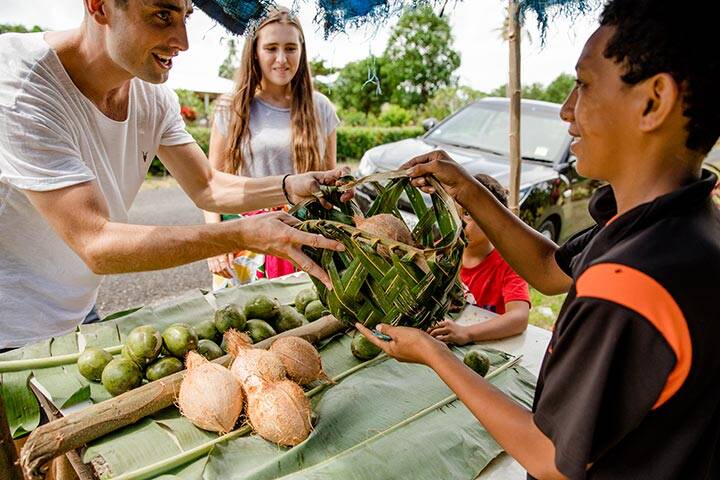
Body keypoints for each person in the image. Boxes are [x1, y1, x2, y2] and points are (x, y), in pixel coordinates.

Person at [357, 0, 720, 478]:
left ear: (653, 101)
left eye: (584, 85)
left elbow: (551, 457)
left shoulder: (632, 283)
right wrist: (467, 186)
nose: (567, 110)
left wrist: (432, 352)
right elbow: (550, 271)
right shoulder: (678, 226)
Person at [0, 0, 351, 350]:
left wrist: (290, 186)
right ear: (99, 6)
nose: (182, 41)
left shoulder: (153, 96)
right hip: (12, 328)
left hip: (79, 310)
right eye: (162, 16)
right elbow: (95, 244)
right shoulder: (21, 83)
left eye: (186, 18)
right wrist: (243, 233)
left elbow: (208, 185)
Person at [204, 7, 340, 289]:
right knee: (248, 326)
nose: (281, 59)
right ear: (255, 51)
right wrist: (216, 242)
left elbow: (329, 184)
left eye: (290, 48)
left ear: (302, 51)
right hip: (246, 241)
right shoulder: (232, 107)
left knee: (303, 321)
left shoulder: (321, 108)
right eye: (271, 48)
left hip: (305, 237)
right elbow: (210, 183)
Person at [429, 174, 530, 345]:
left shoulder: (509, 262)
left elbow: (519, 317)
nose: (458, 220)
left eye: (467, 213)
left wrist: (467, 333)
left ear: (493, 221)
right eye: (453, 210)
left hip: (489, 347)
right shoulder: (440, 252)